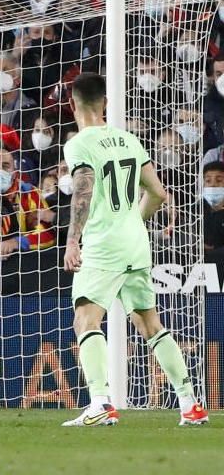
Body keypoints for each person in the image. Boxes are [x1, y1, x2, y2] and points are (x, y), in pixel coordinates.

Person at [60, 72, 207, 427]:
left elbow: (83, 190)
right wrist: (134, 224)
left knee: (86, 319)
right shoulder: (128, 139)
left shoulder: (79, 144)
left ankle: (100, 402)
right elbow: (157, 193)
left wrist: (73, 239)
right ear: (106, 104)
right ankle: (190, 403)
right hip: (136, 244)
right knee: (150, 323)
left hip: (103, 243)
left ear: (72, 105)